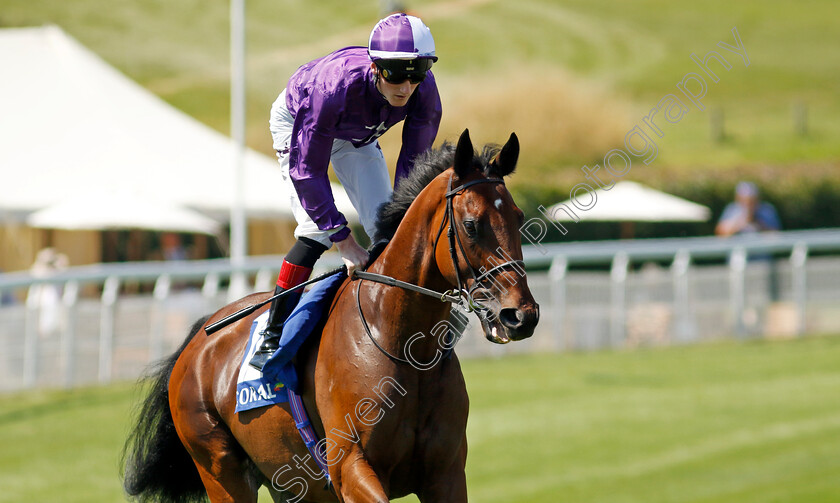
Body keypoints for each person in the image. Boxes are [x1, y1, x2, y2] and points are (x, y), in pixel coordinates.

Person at [249, 13, 442, 370]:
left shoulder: (424, 93)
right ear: (374, 67)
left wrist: (395, 222)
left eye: (417, 73)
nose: (405, 86)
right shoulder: (332, 88)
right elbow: (307, 171)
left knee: (389, 223)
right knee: (315, 230)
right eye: (395, 73)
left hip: (356, 135)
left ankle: (397, 324)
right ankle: (272, 335)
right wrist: (345, 241)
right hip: (303, 121)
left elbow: (412, 171)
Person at [715, 181, 781, 237]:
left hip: (761, 251)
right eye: (744, 199)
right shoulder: (732, 209)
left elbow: (776, 235)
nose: (747, 203)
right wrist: (740, 223)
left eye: (751, 200)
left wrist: (757, 223)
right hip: (738, 250)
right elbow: (720, 233)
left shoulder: (766, 210)